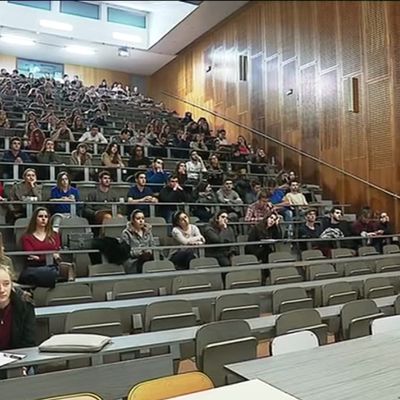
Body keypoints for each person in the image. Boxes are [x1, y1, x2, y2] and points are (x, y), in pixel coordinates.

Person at [20, 207, 75, 287]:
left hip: (52, 265)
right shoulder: (26, 237)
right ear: (34, 218)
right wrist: (50, 255)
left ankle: (61, 274)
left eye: (46, 217)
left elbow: (56, 252)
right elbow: (32, 257)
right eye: (40, 216)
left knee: (52, 271)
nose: (43, 219)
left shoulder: (55, 235)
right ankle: (61, 275)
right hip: (34, 267)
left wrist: (42, 256)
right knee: (47, 273)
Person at [0, 264, 36, 352]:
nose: (2, 290)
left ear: (12, 285)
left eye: (6, 284)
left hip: (17, 359)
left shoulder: (25, 304)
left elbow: (28, 342)